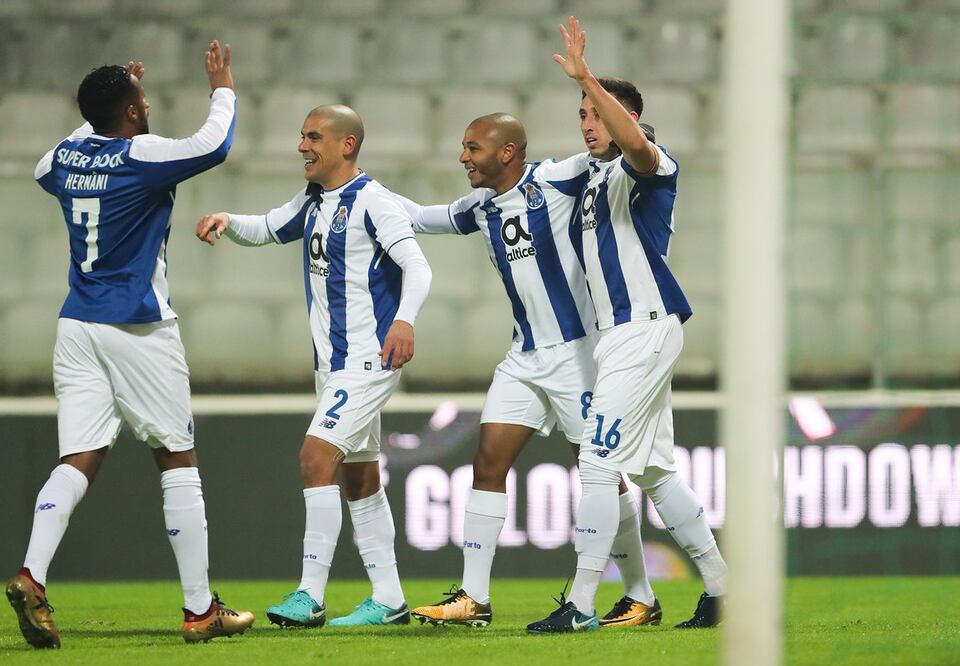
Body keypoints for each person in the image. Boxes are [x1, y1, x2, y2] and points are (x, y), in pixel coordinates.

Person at [5, 42, 254, 649]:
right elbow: (213, 145)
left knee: (79, 456)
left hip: (77, 326)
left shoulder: (66, 157)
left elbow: (44, 167)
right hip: (138, 325)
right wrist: (223, 85)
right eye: (141, 99)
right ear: (136, 113)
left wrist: (93, 120)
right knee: (176, 455)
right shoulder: (141, 156)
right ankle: (200, 610)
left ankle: (31, 575)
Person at [395, 113, 661, 628]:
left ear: (507, 152)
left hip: (578, 354)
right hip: (523, 357)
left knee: (601, 473)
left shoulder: (558, 178)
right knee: (488, 461)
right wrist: (370, 197)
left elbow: (623, 155)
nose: (463, 157)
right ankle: (474, 596)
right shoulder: (481, 205)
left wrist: (627, 128)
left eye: (473, 148)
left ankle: (640, 594)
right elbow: (426, 217)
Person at [525, 17, 728, 634]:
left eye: (594, 112)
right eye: (581, 114)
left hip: (644, 328)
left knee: (596, 460)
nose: (586, 123)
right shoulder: (588, 182)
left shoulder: (648, 167)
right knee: (654, 471)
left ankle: (582, 605)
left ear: (622, 116)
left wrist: (589, 76)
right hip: (617, 337)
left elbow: (636, 147)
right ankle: (722, 590)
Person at [195, 104, 432, 628]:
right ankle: (389, 598)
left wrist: (405, 321)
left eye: (314, 137)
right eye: (301, 136)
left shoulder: (374, 201)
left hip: (368, 358)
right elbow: (268, 229)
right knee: (360, 476)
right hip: (332, 365)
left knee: (314, 457)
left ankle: (310, 594)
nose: (302, 146)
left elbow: (417, 265)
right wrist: (228, 221)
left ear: (346, 145)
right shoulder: (314, 200)